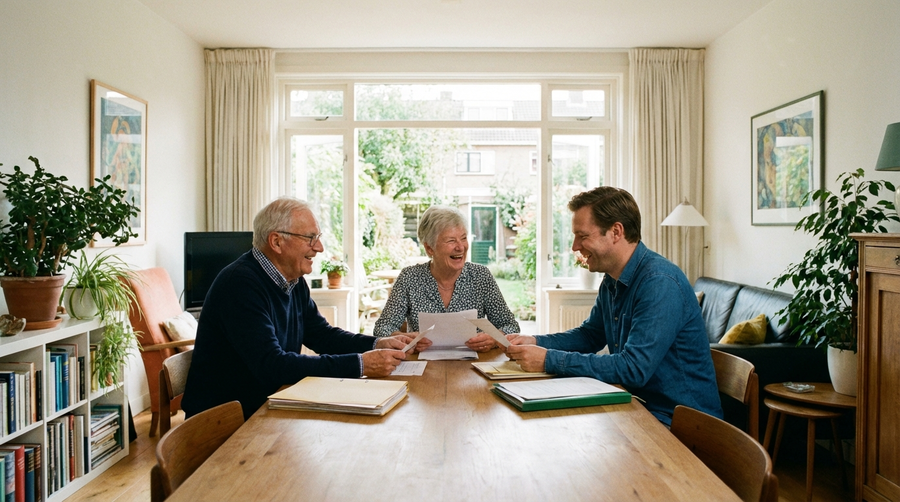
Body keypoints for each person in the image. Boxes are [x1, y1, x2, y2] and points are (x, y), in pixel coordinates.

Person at [182, 197, 420, 420]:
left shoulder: (293, 281)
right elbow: (272, 366)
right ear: (276, 241)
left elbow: (322, 335)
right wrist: (361, 364)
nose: (319, 248)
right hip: (229, 420)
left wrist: (376, 344)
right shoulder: (240, 284)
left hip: (272, 404)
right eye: (310, 238)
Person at [505, 187, 722, 426]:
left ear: (616, 232)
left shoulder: (659, 282)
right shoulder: (612, 279)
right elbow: (590, 336)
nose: (575, 246)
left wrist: (548, 360)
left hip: (682, 424)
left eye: (582, 236)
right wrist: (535, 342)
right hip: (637, 407)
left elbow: (633, 368)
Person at [373, 205, 519, 352]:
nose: (460, 247)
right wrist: (406, 340)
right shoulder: (409, 278)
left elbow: (511, 326)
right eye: (451, 241)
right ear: (430, 248)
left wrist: (494, 338)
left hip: (473, 367)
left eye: (463, 238)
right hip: (422, 367)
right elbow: (382, 329)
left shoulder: (480, 276)